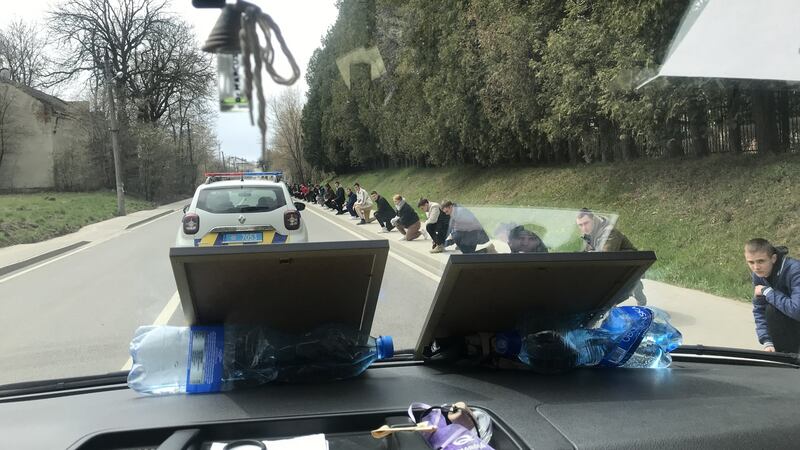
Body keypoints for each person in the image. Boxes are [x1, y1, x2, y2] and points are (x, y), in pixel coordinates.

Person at [576, 208, 646, 306]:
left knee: (610, 295)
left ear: (593, 219)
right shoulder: (590, 232)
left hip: (628, 264)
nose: (584, 228)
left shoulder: (609, 231)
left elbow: (606, 257)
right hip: (615, 264)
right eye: (580, 225)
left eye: (586, 223)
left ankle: (634, 289)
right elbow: (587, 252)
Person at [745, 238, 800, 353]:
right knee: (770, 310)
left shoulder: (795, 270)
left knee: (773, 310)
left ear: (773, 258)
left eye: (761, 261)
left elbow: (797, 310)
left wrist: (767, 291)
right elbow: (759, 309)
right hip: (789, 328)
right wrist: (767, 341)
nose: (756, 267)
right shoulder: (759, 275)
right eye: (751, 262)